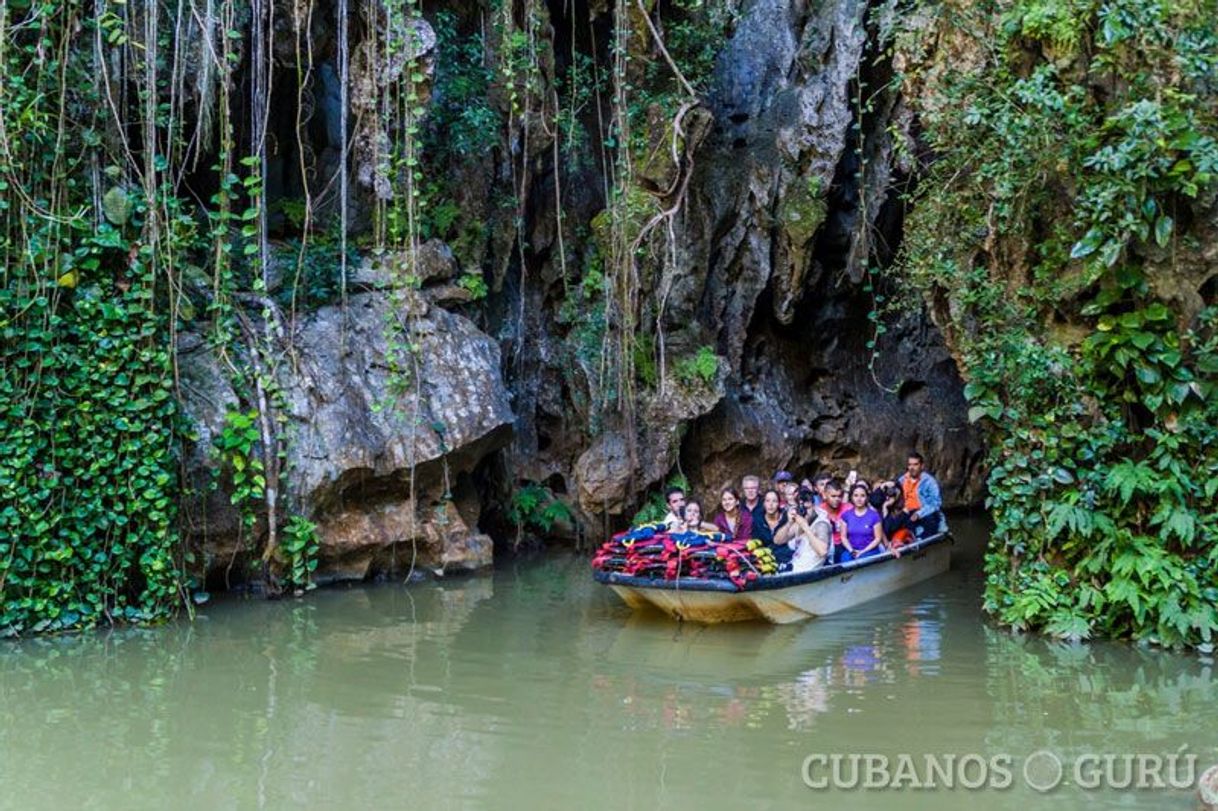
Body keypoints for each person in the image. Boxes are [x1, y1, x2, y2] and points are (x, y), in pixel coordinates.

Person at [883, 452, 943, 539]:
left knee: (930, 520)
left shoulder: (930, 482)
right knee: (889, 526)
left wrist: (919, 514)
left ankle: (922, 541)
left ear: (922, 466)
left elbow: (936, 503)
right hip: (906, 511)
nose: (912, 468)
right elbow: (893, 492)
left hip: (923, 511)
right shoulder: (903, 479)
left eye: (915, 464)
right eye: (910, 465)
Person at [839, 483, 885, 562]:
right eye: (856, 495)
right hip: (851, 550)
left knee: (862, 559)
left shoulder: (874, 516)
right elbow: (843, 537)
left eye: (862, 496)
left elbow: (878, 538)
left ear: (867, 498)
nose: (859, 499)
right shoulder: (846, 515)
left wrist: (862, 552)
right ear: (851, 497)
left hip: (869, 551)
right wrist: (852, 551)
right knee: (845, 558)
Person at [780, 502, 831, 573]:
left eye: (807, 508)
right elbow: (778, 541)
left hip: (807, 572)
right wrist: (789, 523)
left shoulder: (821, 524)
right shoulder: (799, 521)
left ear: (814, 506)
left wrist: (805, 527)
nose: (805, 512)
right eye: (801, 508)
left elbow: (822, 552)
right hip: (794, 566)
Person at [752, 489, 792, 565]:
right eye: (767, 501)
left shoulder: (786, 518)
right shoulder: (758, 520)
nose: (771, 504)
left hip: (786, 559)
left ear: (779, 504)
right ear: (763, 503)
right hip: (765, 561)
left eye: (774, 501)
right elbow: (756, 543)